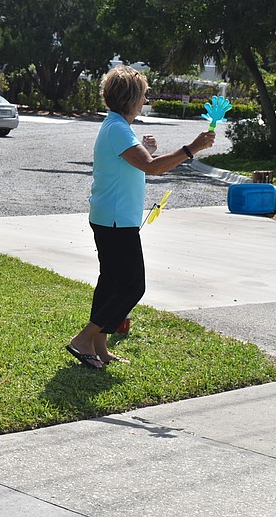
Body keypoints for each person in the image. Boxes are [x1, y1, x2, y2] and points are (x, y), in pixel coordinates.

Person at [66, 65, 215, 369]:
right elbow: (152, 167)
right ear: (131, 97)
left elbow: (136, 162)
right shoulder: (118, 128)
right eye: (145, 95)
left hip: (111, 216)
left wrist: (145, 150)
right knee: (133, 286)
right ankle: (84, 339)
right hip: (116, 220)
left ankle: (99, 345)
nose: (147, 99)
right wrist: (192, 148)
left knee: (110, 282)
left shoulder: (117, 126)